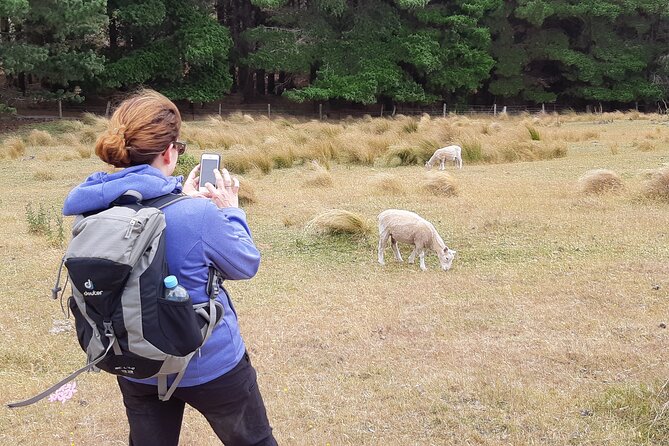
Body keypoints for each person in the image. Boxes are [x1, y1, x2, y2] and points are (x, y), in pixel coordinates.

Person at [62, 90, 277, 446]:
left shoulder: (92, 207)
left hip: (135, 360)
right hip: (210, 364)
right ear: (169, 150)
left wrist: (177, 195)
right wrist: (229, 209)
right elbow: (245, 263)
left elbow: (145, 210)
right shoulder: (199, 214)